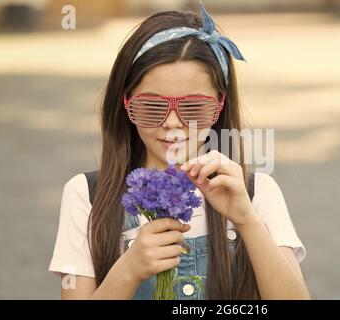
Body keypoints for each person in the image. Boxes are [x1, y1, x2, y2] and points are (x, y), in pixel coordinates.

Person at [49, 1, 309, 300]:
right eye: (151, 106)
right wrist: (128, 270)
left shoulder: (256, 192)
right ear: (126, 103)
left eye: (194, 107)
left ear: (219, 105)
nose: (172, 122)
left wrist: (247, 220)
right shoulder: (88, 195)